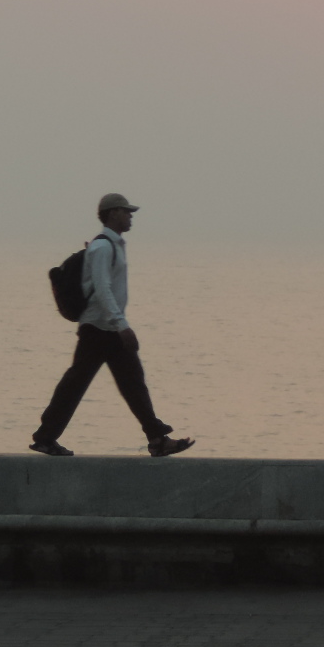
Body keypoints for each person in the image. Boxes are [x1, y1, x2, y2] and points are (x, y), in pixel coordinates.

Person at [30, 193, 194, 457]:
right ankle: (45, 438)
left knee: (133, 384)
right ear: (112, 213)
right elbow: (103, 289)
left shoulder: (111, 245)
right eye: (126, 211)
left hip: (108, 330)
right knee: (75, 384)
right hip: (98, 330)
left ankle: (157, 439)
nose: (130, 216)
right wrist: (122, 325)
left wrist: (118, 326)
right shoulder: (103, 247)